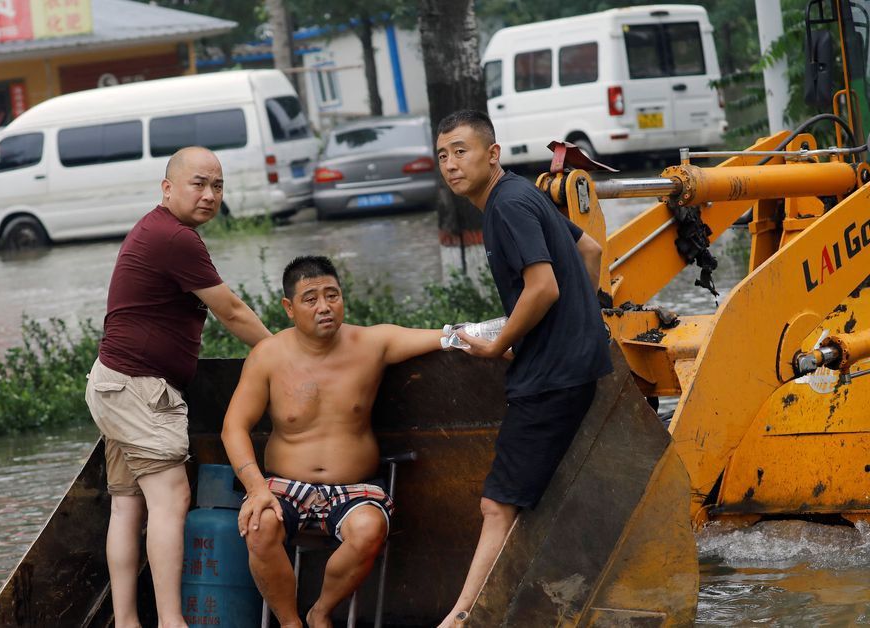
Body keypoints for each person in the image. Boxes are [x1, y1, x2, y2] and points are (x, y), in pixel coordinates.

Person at [432, 110, 612, 626]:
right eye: (442, 155)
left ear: (493, 154)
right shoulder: (519, 195)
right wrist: (579, 325)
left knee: (498, 505)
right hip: (569, 368)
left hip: (550, 380)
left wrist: (499, 345)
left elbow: (543, 288)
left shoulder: (507, 205)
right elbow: (590, 250)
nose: (450, 164)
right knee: (526, 501)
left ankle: (462, 618)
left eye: (461, 151)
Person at [85, 146, 273, 628]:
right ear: (167, 189)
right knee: (170, 501)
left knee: (128, 506)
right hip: (140, 390)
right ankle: (172, 621)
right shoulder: (175, 237)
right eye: (198, 184)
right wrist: (282, 354)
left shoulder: (158, 229)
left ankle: (127, 622)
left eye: (218, 185)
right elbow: (232, 312)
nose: (209, 194)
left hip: (113, 384)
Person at [221, 255, 446, 628]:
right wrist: (256, 487)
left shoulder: (372, 342)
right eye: (310, 299)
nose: (324, 307)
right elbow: (233, 427)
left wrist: (497, 341)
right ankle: (291, 622)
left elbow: (446, 336)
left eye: (332, 295)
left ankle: (321, 613)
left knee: (369, 530)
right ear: (289, 308)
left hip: (354, 488)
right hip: (283, 485)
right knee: (259, 526)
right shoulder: (268, 356)